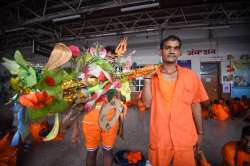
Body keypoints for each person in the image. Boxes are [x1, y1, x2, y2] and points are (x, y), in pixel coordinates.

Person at [142, 35, 209, 166]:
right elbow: (147, 103)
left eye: (175, 48)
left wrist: (200, 132)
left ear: (180, 52)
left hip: (185, 137)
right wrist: (147, 79)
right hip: (160, 138)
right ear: (160, 51)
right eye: (167, 47)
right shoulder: (152, 76)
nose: (172, 51)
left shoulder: (191, 76)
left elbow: (196, 105)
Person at [71, 47, 127, 166]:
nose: (111, 60)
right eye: (108, 57)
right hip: (90, 120)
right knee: (91, 152)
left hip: (110, 119)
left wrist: (121, 125)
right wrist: (75, 128)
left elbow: (119, 103)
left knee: (108, 151)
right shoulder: (87, 76)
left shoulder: (116, 79)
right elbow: (78, 103)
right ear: (100, 57)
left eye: (113, 58)